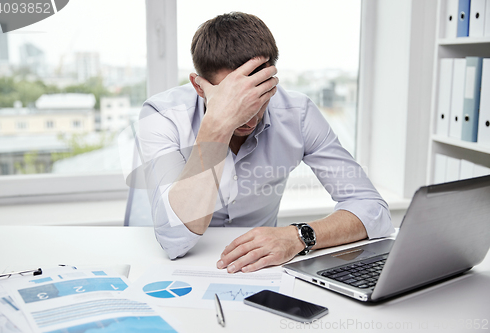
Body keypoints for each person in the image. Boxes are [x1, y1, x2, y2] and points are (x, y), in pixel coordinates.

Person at [137, 12, 394, 274]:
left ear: (272, 81)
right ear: (199, 86)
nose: (247, 114)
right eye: (232, 96)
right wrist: (217, 124)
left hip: (264, 268)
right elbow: (174, 240)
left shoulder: (298, 113)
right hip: (184, 266)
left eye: (259, 93)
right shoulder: (162, 116)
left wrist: (298, 236)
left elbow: (374, 212)